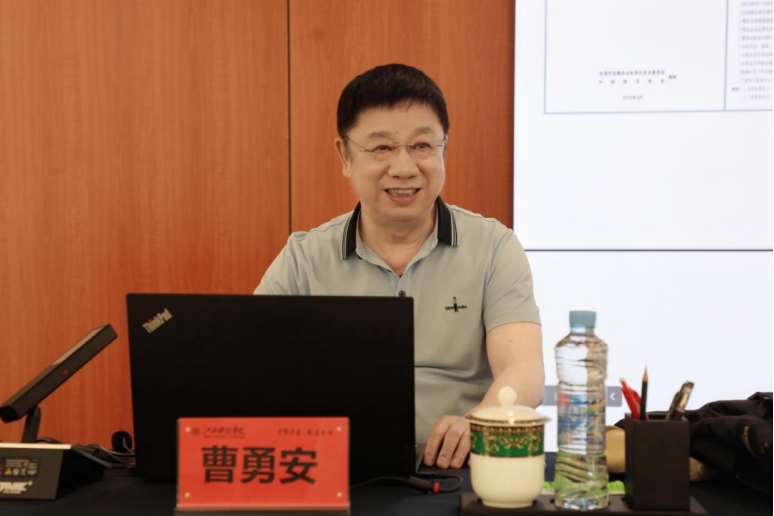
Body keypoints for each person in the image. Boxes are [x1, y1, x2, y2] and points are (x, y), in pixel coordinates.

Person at [254, 63, 544, 469]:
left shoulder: (494, 247)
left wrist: (481, 421)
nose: (405, 168)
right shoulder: (303, 258)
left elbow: (524, 368)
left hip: (458, 468)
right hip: (340, 471)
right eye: (382, 148)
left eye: (422, 145)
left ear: (444, 148)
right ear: (345, 155)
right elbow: (251, 370)